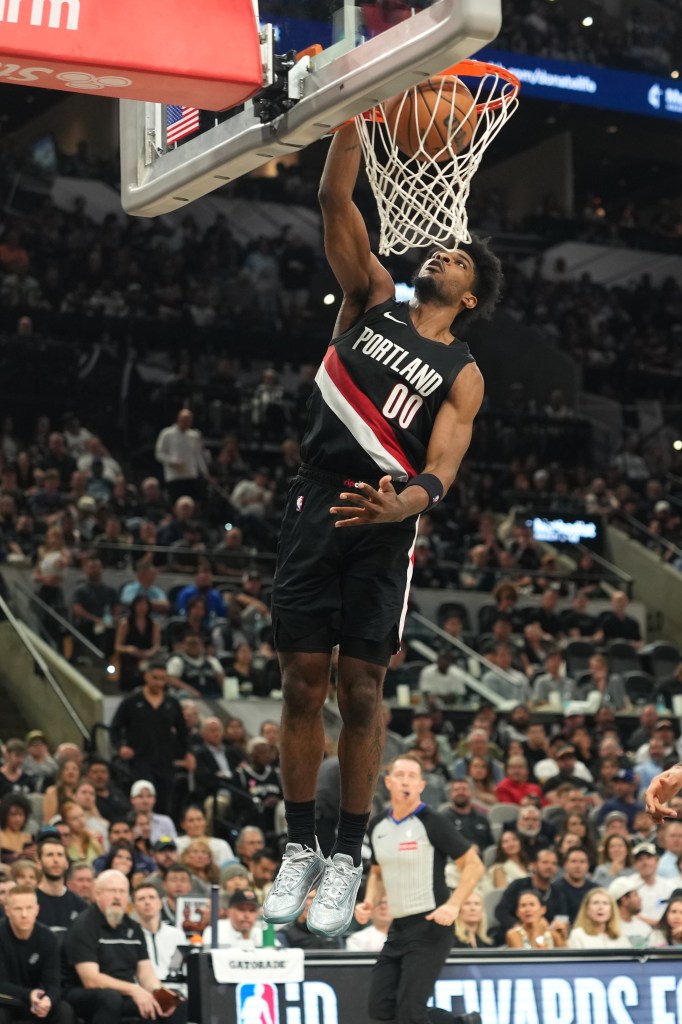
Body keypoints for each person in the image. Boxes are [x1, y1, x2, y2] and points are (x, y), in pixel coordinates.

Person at [264, 120, 500, 937]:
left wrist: (408, 504)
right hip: (318, 499)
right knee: (301, 681)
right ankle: (300, 846)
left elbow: (444, 465)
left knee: (361, 691)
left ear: (469, 298)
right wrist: (352, 116)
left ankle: (346, 854)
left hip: (387, 523)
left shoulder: (463, 372)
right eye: (443, 251)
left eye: (459, 260)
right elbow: (335, 197)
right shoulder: (371, 298)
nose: (443, 255)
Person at [363, 755, 483, 1023]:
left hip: (430, 927)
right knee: (380, 1007)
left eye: (412, 776)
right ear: (389, 782)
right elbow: (378, 873)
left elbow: (474, 865)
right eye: (400, 775)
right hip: (398, 928)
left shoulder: (432, 821)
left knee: (410, 1012)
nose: (406, 781)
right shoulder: (378, 825)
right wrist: (370, 901)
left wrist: (453, 905)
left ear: (421, 785)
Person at [64, 869, 181, 1024]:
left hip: (124, 992)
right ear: (98, 894)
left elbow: (145, 974)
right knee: (109, 998)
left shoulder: (134, 927)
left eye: (122, 891)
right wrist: (134, 990)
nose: (117, 897)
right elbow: (90, 979)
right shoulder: (84, 926)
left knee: (170, 1002)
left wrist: (158, 992)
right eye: (112, 891)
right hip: (84, 992)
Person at [109, 661, 196, 816]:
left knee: (164, 802)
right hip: (139, 759)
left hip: (165, 760)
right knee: (144, 798)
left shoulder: (172, 703)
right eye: (155, 678)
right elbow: (115, 728)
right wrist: (120, 746)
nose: (159, 683)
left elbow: (183, 732)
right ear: (146, 677)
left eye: (162, 679)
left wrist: (188, 753)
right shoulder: (131, 701)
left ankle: (163, 830)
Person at [0, 885, 74, 1024]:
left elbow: (53, 983)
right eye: (18, 909)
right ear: (7, 911)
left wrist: (48, 1000)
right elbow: (1, 984)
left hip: (36, 1001)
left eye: (29, 908)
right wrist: (29, 994)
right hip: (6, 1001)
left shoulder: (48, 938)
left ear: (37, 909)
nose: (24, 914)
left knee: (64, 1010)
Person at [132, 882, 186, 998]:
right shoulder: (131, 937)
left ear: (160, 903)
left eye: (152, 897)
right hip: (144, 992)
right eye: (141, 899)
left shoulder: (177, 934)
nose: (147, 902)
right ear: (134, 906)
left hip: (175, 990)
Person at [36, 838, 88, 939]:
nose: (56, 860)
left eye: (60, 855)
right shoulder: (29, 903)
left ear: (67, 863)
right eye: (50, 855)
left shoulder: (80, 905)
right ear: (39, 864)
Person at [154, 408, 209, 503]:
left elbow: (198, 455)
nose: (187, 423)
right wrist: (173, 461)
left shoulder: (195, 435)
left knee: (194, 502)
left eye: (189, 420)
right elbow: (159, 454)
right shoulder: (167, 433)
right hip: (175, 476)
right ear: (178, 419)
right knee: (176, 503)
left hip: (191, 475)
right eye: (185, 420)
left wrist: (205, 472)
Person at [608, 876, 652, 948]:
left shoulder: (644, 927)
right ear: (624, 900)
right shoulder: (609, 928)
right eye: (635, 895)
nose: (640, 898)